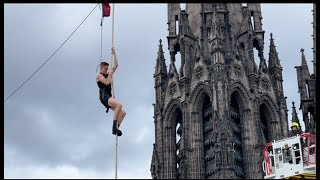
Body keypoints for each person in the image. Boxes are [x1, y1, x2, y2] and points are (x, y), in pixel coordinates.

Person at [96, 47, 126, 136]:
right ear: (101, 68)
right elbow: (106, 82)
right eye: (105, 69)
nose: (107, 70)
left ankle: (116, 128)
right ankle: (113, 127)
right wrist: (109, 76)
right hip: (104, 97)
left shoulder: (108, 74)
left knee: (123, 113)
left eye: (107, 69)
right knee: (119, 105)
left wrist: (114, 53)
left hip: (109, 96)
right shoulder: (98, 76)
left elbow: (116, 65)